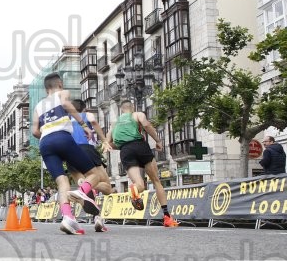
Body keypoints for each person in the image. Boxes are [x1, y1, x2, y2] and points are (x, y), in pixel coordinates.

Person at [31, 73, 106, 235]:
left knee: (62, 183)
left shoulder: (38, 106)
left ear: (46, 89)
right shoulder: (62, 93)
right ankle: (81, 191)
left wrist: (47, 135)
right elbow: (65, 104)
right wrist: (82, 124)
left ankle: (68, 218)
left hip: (45, 143)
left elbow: (34, 131)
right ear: (59, 84)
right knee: (94, 174)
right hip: (62, 138)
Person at [112, 100, 179, 228]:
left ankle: (135, 189)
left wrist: (124, 147)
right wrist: (158, 141)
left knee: (139, 185)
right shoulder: (137, 114)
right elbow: (147, 125)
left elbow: (109, 143)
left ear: (121, 110)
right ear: (132, 107)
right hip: (140, 146)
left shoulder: (115, 123)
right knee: (156, 181)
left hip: (125, 151)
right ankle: (167, 218)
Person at [69, 99, 115, 232]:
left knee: (84, 190)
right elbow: (93, 122)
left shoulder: (66, 120)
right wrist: (105, 141)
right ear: (83, 109)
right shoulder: (86, 115)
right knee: (107, 186)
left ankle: (97, 217)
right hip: (86, 149)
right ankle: (88, 183)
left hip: (70, 152)